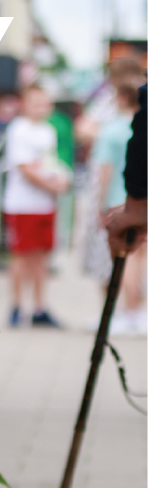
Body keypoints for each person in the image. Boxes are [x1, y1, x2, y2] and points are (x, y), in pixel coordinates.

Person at [2, 84, 69, 327]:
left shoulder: (48, 131)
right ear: (25, 104)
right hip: (22, 204)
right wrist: (52, 185)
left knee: (41, 256)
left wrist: (62, 177)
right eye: (36, 103)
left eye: (44, 103)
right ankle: (17, 306)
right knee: (20, 255)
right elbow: (26, 168)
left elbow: (49, 163)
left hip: (44, 205)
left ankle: (40, 307)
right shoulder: (19, 129)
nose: (41, 108)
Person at [87, 77, 146, 334]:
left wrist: (99, 205)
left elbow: (105, 172)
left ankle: (128, 313)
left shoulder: (112, 130)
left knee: (125, 260)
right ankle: (136, 312)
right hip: (143, 201)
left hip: (120, 202)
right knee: (141, 261)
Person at [105, 82, 147, 285]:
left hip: (126, 198)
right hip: (131, 198)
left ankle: (130, 312)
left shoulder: (110, 129)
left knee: (129, 258)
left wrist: (136, 205)